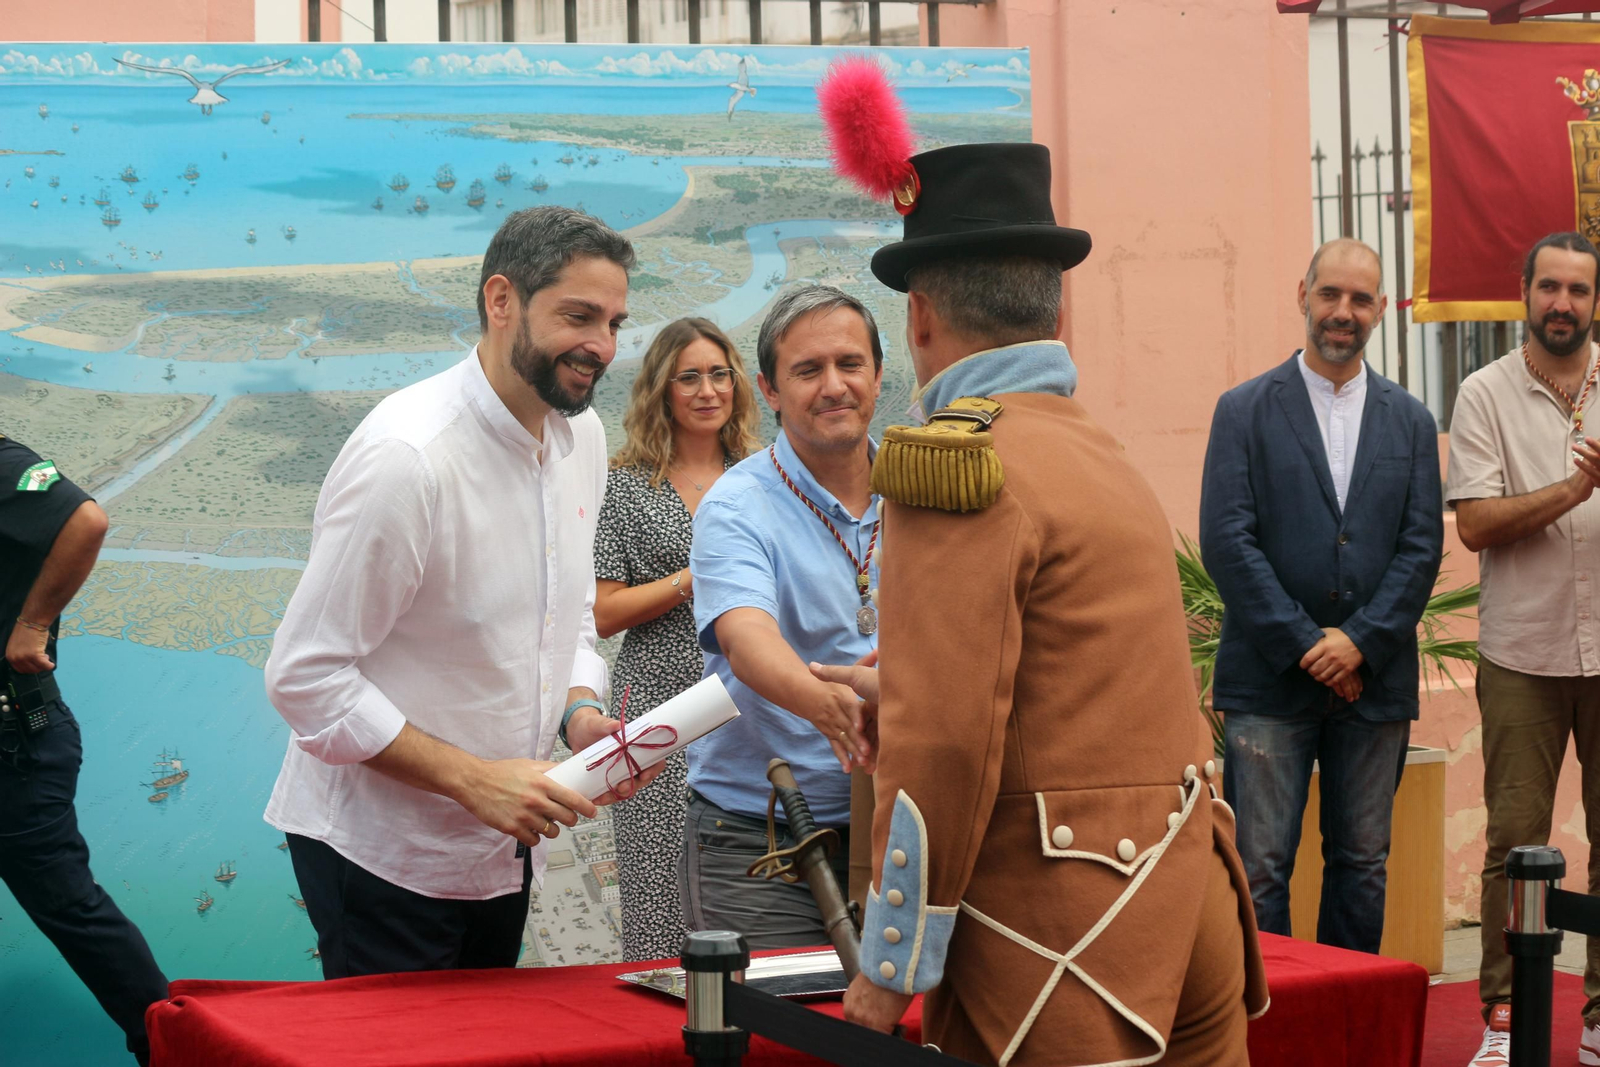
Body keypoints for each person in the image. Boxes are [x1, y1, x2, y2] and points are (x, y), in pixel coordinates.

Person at [812, 141, 1267, 1066]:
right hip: (1187, 901)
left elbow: (944, 738)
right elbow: (1079, 676)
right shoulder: (1099, 448)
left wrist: (889, 966)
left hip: (1062, 935)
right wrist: (902, 685)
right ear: (1055, 305)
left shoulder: (957, 462)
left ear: (922, 315)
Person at [263, 207, 658, 979]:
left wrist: (580, 713)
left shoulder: (583, 438)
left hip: (503, 847)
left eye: (614, 322)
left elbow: (569, 615)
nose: (603, 347)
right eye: (578, 316)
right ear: (500, 299)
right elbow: (304, 677)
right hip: (383, 857)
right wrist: (473, 778)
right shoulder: (408, 458)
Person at [1198, 237, 1444, 956]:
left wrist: (1360, 641)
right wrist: (1309, 644)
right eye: (1331, 294)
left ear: (1381, 311)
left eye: (1360, 299)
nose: (1344, 312)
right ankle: (1272, 1035)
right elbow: (1228, 541)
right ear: (1301, 294)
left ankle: (1349, 1029)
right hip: (1269, 683)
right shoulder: (1243, 410)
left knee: (1364, 867)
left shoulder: (1411, 420)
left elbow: (1421, 546)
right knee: (1262, 869)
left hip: (1376, 682)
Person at [682, 284, 882, 948]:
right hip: (760, 837)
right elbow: (746, 638)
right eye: (808, 370)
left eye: (850, 364)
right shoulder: (737, 504)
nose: (834, 386)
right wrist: (826, 703)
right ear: (769, 390)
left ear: (878, 374)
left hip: (900, 829)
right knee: (779, 1043)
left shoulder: (920, 490)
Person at [1447, 231, 1600, 1067]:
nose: (1563, 304)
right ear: (1523, 292)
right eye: (1550, 287)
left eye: (1579, 290)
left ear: (1595, 301)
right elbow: (1475, 523)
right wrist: (1575, 488)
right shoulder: (1484, 394)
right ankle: (1504, 1019)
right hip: (1522, 653)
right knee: (1514, 843)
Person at [592, 317, 762, 962]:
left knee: (748, 899)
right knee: (661, 905)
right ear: (662, 389)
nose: (706, 390)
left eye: (718, 374)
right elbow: (605, 613)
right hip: (662, 712)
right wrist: (692, 578)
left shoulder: (763, 476)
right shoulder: (627, 485)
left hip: (751, 705)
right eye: (688, 376)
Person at [0, 435, 169, 1065]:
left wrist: (33, 622)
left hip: (15, 748)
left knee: (71, 909)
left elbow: (85, 520)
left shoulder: (4, 463)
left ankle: (170, 1048)